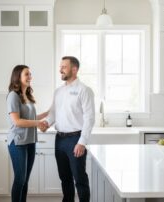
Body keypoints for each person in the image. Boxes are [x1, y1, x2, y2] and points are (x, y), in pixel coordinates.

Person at [44, 56, 95, 202]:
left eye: (64, 67)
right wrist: (46, 123)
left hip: (75, 139)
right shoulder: (58, 91)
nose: (60, 69)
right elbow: (53, 113)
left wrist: (82, 142)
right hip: (59, 139)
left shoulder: (84, 90)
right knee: (64, 177)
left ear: (74, 69)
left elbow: (89, 118)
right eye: (60, 66)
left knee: (79, 177)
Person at [6, 65, 48, 202]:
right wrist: (37, 124)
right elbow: (17, 121)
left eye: (30, 74)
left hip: (30, 141)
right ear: (18, 77)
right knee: (20, 179)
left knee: (25, 180)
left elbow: (31, 119)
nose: (30, 77)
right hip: (18, 142)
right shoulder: (13, 96)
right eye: (27, 74)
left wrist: (49, 113)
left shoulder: (27, 96)